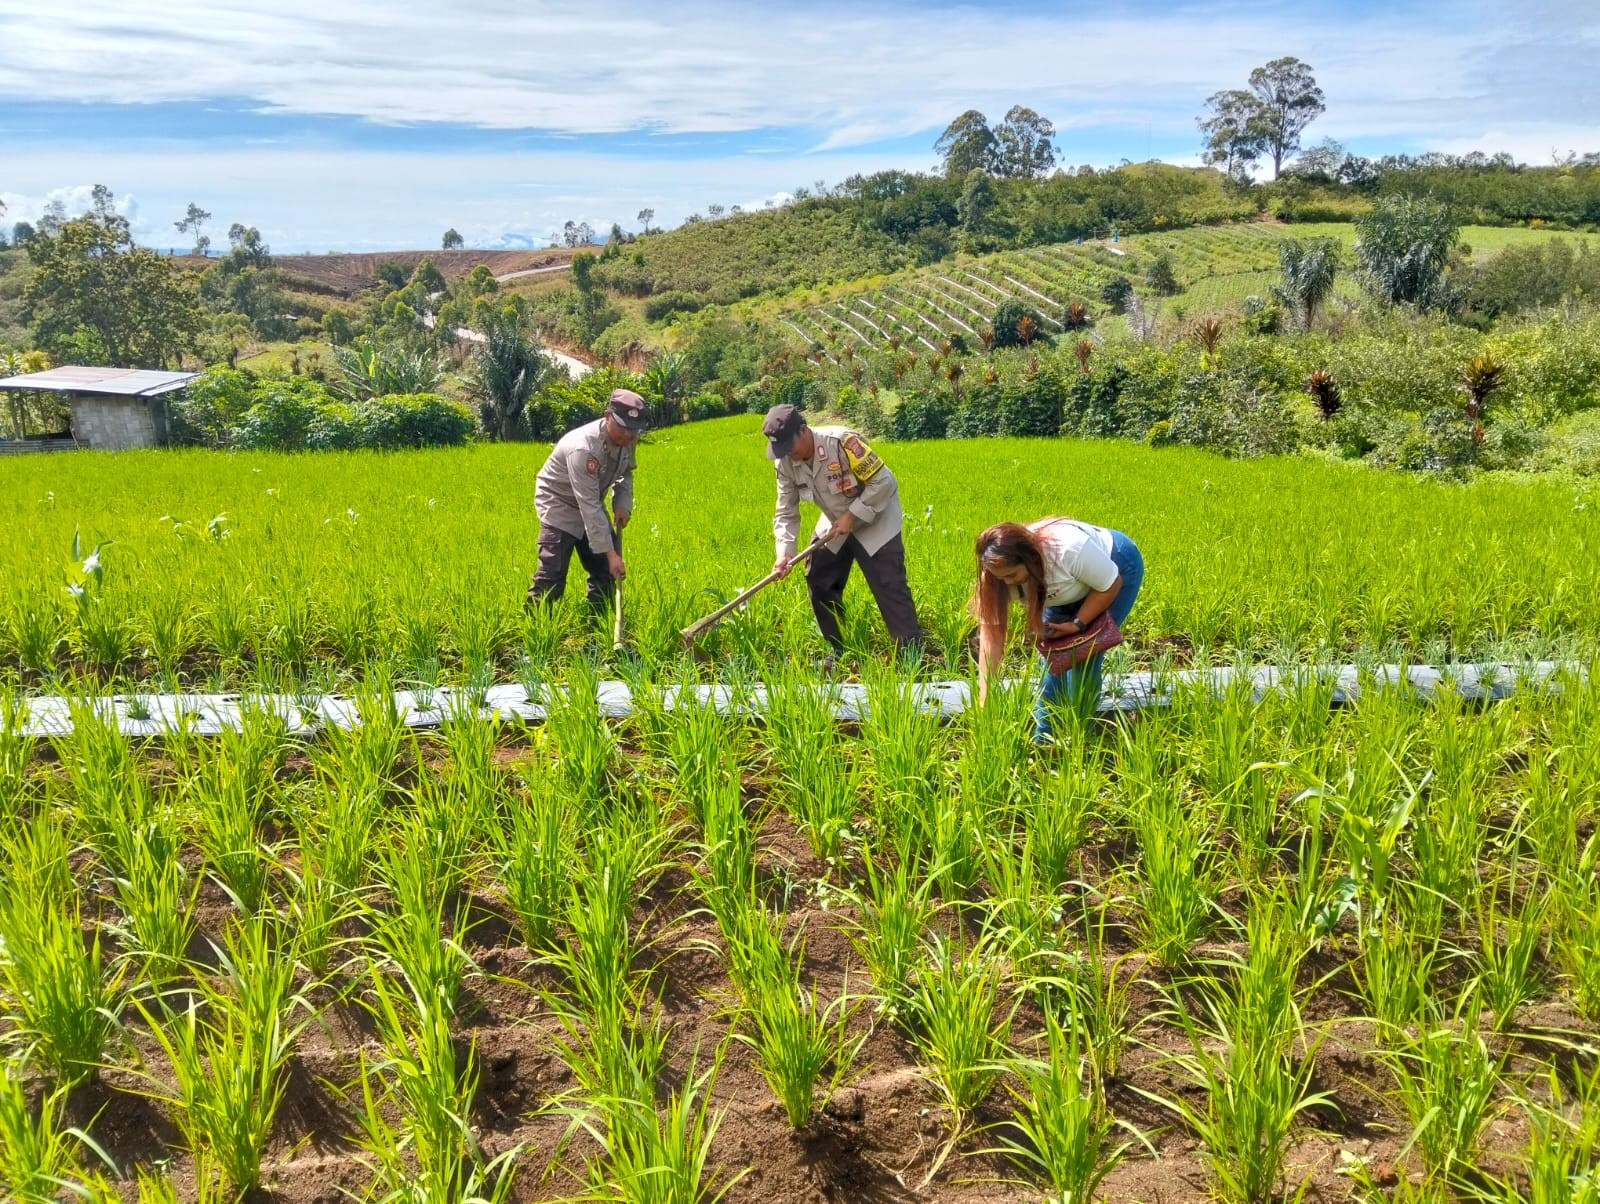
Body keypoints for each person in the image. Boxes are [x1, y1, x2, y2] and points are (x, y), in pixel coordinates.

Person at [764, 404, 922, 664]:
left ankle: (911, 656)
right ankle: (837, 650)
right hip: (835, 519)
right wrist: (783, 553)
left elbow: (884, 482)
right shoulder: (784, 463)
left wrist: (853, 516)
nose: (788, 456)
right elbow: (786, 512)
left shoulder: (843, 443)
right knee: (819, 576)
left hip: (876, 517)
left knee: (889, 584)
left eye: (789, 448)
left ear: (803, 430)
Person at [973, 517, 1144, 743]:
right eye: (1000, 578)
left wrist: (1077, 624)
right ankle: (1044, 739)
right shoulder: (996, 575)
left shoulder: (1069, 551)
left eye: (1012, 576)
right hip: (1063, 587)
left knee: (1085, 656)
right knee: (1053, 659)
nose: (1006, 584)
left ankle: (1083, 737)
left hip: (1114, 571)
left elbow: (1110, 585)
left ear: (1030, 560)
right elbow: (992, 637)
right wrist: (986, 693)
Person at [528, 389, 649, 610]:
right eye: (622, 428)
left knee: (604, 570)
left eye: (633, 430)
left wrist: (622, 504)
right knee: (552, 574)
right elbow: (589, 506)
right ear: (607, 416)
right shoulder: (583, 448)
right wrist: (612, 554)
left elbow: (626, 472)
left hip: (589, 499)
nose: (628, 436)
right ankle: (534, 630)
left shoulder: (629, 437)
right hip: (559, 503)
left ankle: (598, 624)